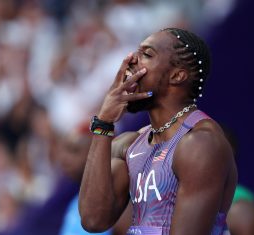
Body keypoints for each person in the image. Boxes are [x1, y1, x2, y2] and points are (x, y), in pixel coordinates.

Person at [79, 27, 238, 235]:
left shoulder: (201, 144)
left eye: (146, 54)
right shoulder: (129, 144)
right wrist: (104, 123)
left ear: (177, 75)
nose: (131, 59)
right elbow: (93, 220)